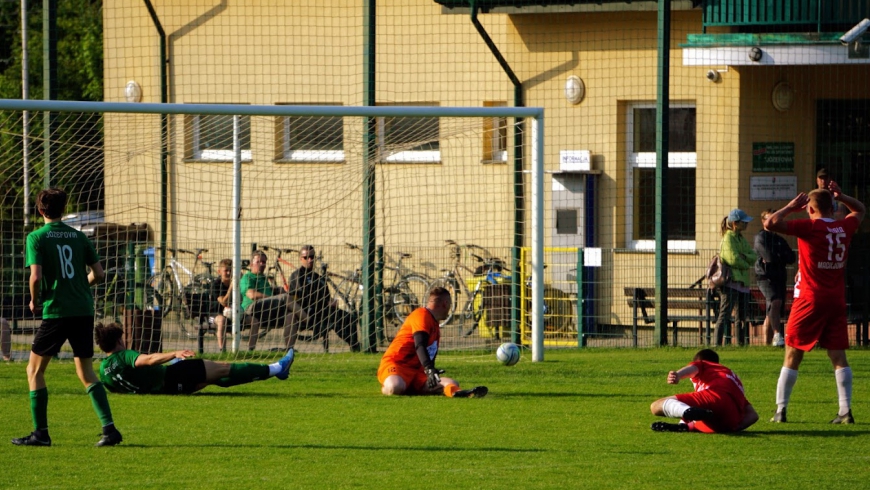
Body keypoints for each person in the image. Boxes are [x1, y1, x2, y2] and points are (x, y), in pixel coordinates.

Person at [12, 188, 122, 447]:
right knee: (85, 372)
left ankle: (41, 433)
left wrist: (34, 299)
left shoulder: (36, 238)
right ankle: (109, 429)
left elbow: (36, 277)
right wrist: (79, 286)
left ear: (40, 210)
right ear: (63, 209)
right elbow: (99, 274)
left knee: (34, 370)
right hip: (83, 309)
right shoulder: (78, 236)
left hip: (57, 311)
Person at [765, 183, 865, 424]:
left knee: (792, 353)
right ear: (833, 207)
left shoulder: (809, 227)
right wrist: (844, 196)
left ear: (809, 209)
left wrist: (789, 207)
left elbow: (770, 223)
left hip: (809, 298)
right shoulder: (844, 226)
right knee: (838, 355)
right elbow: (860, 210)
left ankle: (781, 410)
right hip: (835, 298)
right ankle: (845, 411)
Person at [95, 323, 294, 394]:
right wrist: (174, 354)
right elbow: (147, 360)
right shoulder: (123, 356)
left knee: (214, 378)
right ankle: (277, 368)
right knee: (224, 368)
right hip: (172, 375)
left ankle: (273, 371)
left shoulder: (104, 371)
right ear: (118, 341)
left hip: (167, 390)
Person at [378, 287, 487, 398]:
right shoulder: (421, 315)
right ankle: (392, 387)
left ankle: (459, 393)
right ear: (445, 304)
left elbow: (429, 354)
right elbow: (419, 345)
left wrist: (431, 373)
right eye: (450, 305)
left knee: (451, 383)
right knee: (395, 386)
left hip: (417, 372)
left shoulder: (435, 325)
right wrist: (429, 369)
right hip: (396, 365)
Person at [650, 349, 758, 433]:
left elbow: (693, 368)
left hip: (715, 395)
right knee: (702, 418)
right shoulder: (734, 380)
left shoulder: (704, 364)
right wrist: (735, 428)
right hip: (730, 420)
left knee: (656, 406)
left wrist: (678, 375)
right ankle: (685, 425)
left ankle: (687, 414)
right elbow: (753, 415)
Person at [240, 250, 307, 350]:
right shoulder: (247, 277)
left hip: (268, 310)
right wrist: (272, 298)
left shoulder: (263, 278)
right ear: (251, 264)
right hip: (252, 309)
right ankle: (307, 320)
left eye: (264, 262)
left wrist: (276, 290)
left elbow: (267, 293)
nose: (262, 264)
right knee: (285, 298)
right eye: (258, 262)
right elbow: (251, 295)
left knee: (291, 316)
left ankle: (289, 350)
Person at [713, 209, 757, 346]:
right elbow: (732, 259)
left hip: (742, 283)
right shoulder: (728, 238)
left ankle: (741, 344)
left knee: (742, 317)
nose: (746, 224)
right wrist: (745, 262)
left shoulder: (740, 238)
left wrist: (744, 258)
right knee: (724, 315)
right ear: (735, 223)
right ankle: (717, 345)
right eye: (744, 222)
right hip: (730, 283)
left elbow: (753, 256)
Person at [754, 209, 796, 347]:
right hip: (765, 277)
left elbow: (791, 257)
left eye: (775, 218)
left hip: (779, 276)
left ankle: (767, 345)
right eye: (768, 218)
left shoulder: (779, 239)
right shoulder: (760, 237)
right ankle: (778, 334)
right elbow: (769, 257)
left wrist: (778, 257)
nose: (773, 221)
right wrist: (780, 256)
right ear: (763, 221)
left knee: (772, 310)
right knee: (775, 301)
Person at [211, 258, 233, 352]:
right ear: (219, 272)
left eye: (231, 270)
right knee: (221, 320)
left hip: (232, 313)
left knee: (253, 321)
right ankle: (222, 350)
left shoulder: (236, 284)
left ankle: (250, 351)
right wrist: (231, 288)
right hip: (215, 313)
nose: (228, 273)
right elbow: (224, 302)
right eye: (226, 270)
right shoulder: (216, 285)